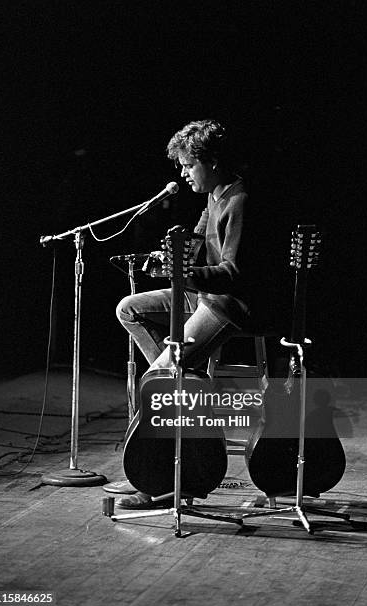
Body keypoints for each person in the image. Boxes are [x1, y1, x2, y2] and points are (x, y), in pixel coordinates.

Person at [115, 118, 257, 509]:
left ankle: (158, 482)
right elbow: (195, 243)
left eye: (188, 165)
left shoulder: (239, 200)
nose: (183, 173)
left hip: (225, 305)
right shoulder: (213, 198)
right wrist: (168, 257)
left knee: (158, 382)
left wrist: (184, 273)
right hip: (200, 296)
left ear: (211, 161)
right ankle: (183, 376)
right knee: (129, 309)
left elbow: (233, 273)